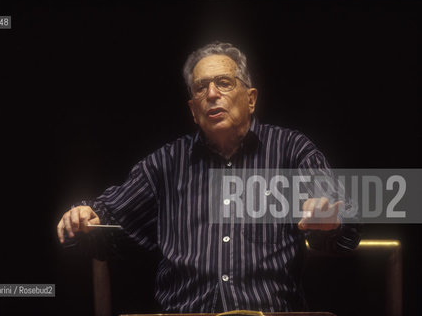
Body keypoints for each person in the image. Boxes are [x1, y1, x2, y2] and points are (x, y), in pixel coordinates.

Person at [57, 42, 360, 313]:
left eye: (224, 83)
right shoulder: (166, 162)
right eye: (201, 88)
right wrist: (85, 215)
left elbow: (343, 222)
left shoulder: (291, 150)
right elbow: (108, 218)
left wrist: (332, 217)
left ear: (251, 99)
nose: (212, 94)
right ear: (193, 110)